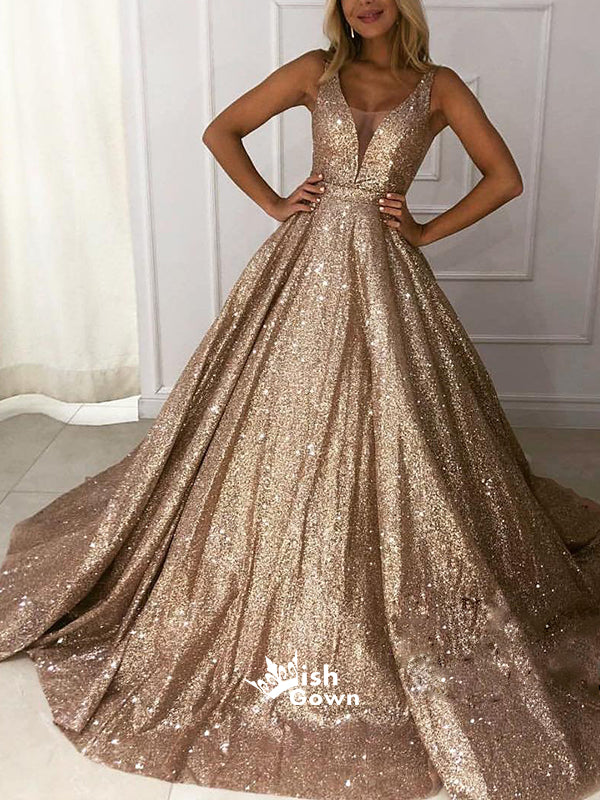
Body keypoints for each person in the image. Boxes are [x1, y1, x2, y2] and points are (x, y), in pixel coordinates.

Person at [1, 1, 600, 799]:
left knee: (402, 424)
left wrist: (425, 231)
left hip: (387, 272)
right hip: (303, 262)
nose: (365, 2)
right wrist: (274, 201)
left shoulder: (439, 86)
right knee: (272, 420)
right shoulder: (315, 73)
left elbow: (506, 178)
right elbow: (221, 130)